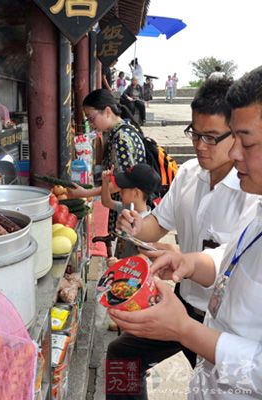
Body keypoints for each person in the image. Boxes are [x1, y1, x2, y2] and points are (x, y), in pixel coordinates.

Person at [110, 65, 262, 399]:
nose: (200, 146)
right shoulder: (190, 174)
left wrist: (184, 328)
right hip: (186, 307)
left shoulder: (251, 194)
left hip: (203, 325)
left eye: (212, 138)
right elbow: (160, 228)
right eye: (194, 133)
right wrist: (143, 228)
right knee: (122, 355)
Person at [68, 89, 146, 237]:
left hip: (130, 211)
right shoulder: (123, 131)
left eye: (91, 118)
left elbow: (123, 182)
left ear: (108, 111)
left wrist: (87, 192)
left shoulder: (121, 138)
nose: (90, 124)